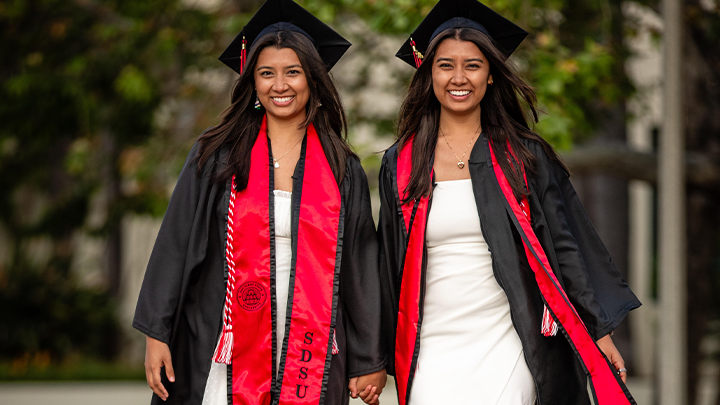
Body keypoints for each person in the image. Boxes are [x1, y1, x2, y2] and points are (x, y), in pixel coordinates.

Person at [377, 0, 641, 404]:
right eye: (445, 64)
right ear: (428, 74)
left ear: (491, 76)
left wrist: (598, 330)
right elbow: (387, 261)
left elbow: (566, 246)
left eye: (473, 65)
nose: (458, 77)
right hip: (429, 340)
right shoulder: (403, 162)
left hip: (508, 334)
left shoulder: (522, 155)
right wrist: (371, 357)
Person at [133, 1, 386, 404]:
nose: (279, 85)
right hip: (228, 336)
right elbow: (175, 244)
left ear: (313, 80)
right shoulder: (217, 155)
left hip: (312, 343)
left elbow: (360, 265)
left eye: (292, 73)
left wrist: (369, 358)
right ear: (252, 82)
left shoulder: (341, 167)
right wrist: (156, 333)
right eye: (266, 73)